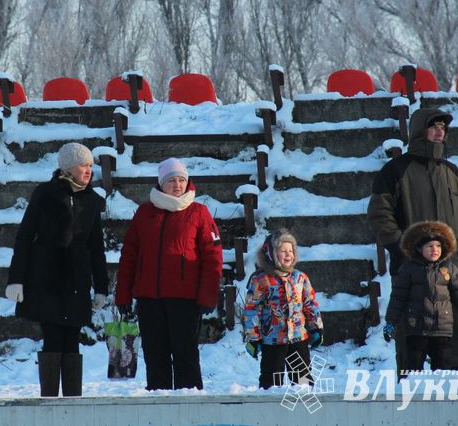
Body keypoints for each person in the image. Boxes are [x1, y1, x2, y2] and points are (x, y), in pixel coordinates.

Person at [368, 106, 458, 378]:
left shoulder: (452, 172)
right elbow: (379, 215)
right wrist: (403, 248)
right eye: (433, 126)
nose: (439, 131)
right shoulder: (395, 171)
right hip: (412, 277)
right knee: (412, 354)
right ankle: (413, 405)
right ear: (419, 130)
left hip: (452, 273)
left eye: (443, 127)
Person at [5, 143, 108, 397]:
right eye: (84, 165)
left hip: (77, 281)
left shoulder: (93, 200)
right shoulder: (45, 194)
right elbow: (25, 237)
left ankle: (73, 401)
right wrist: (16, 279)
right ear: (68, 167)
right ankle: (49, 400)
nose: (89, 170)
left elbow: (97, 248)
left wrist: (101, 288)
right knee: (52, 337)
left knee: (72, 340)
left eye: (91, 166)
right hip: (45, 279)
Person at [114, 157, 223, 390]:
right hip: (148, 300)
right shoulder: (144, 213)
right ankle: (158, 408)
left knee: (186, 358)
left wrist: (207, 296)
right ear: (160, 183)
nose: (177, 185)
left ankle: (192, 408)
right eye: (171, 180)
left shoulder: (199, 213)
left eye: (182, 180)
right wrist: (123, 295)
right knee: (155, 358)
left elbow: (213, 257)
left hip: (185, 300)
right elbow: (129, 257)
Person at [383, 221, 458, 373]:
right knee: (413, 367)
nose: (434, 250)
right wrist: (391, 322)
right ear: (419, 248)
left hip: (441, 328)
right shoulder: (409, 269)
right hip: (416, 328)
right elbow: (398, 297)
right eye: (430, 246)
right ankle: (412, 390)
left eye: (438, 246)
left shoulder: (448, 268)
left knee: (442, 367)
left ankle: (440, 392)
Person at [242, 229, 323, 389]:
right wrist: (253, 337)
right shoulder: (261, 280)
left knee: (302, 381)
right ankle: (270, 409)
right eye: (282, 251)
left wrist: (316, 328)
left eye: (291, 251)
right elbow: (252, 310)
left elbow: (310, 304)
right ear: (270, 254)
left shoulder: (300, 278)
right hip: (272, 341)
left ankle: (304, 409)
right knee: (271, 382)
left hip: (298, 338)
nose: (288, 254)